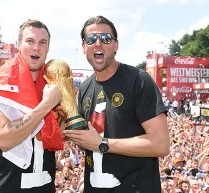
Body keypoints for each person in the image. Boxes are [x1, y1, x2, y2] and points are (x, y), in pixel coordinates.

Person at [63, 15, 170, 192]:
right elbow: (87, 142)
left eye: (105, 38)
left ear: (115, 45)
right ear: (84, 47)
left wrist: (102, 144)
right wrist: (67, 130)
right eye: (90, 39)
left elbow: (160, 144)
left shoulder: (139, 80)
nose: (98, 43)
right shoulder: (84, 88)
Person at [0, 19, 63, 193]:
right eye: (30, 41)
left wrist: (62, 117)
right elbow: (4, 139)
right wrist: (46, 104)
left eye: (43, 43)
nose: (36, 47)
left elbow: (55, 137)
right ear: (18, 45)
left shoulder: (53, 83)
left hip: (44, 186)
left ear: (48, 48)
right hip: (6, 187)